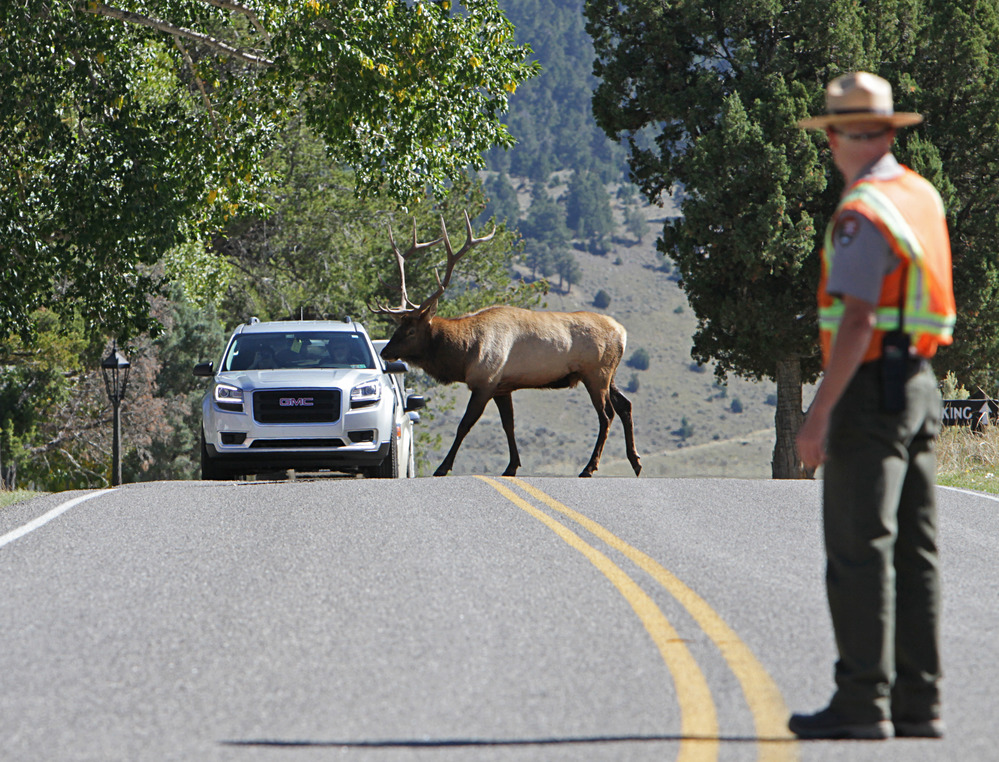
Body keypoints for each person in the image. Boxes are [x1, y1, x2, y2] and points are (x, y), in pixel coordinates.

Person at [792, 72, 957, 740]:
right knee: (916, 551)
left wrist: (817, 413)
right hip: (918, 381)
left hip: (866, 390)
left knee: (861, 549)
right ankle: (920, 702)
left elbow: (856, 320)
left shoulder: (862, 210)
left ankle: (862, 702)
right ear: (889, 131)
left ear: (835, 137)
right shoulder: (918, 193)